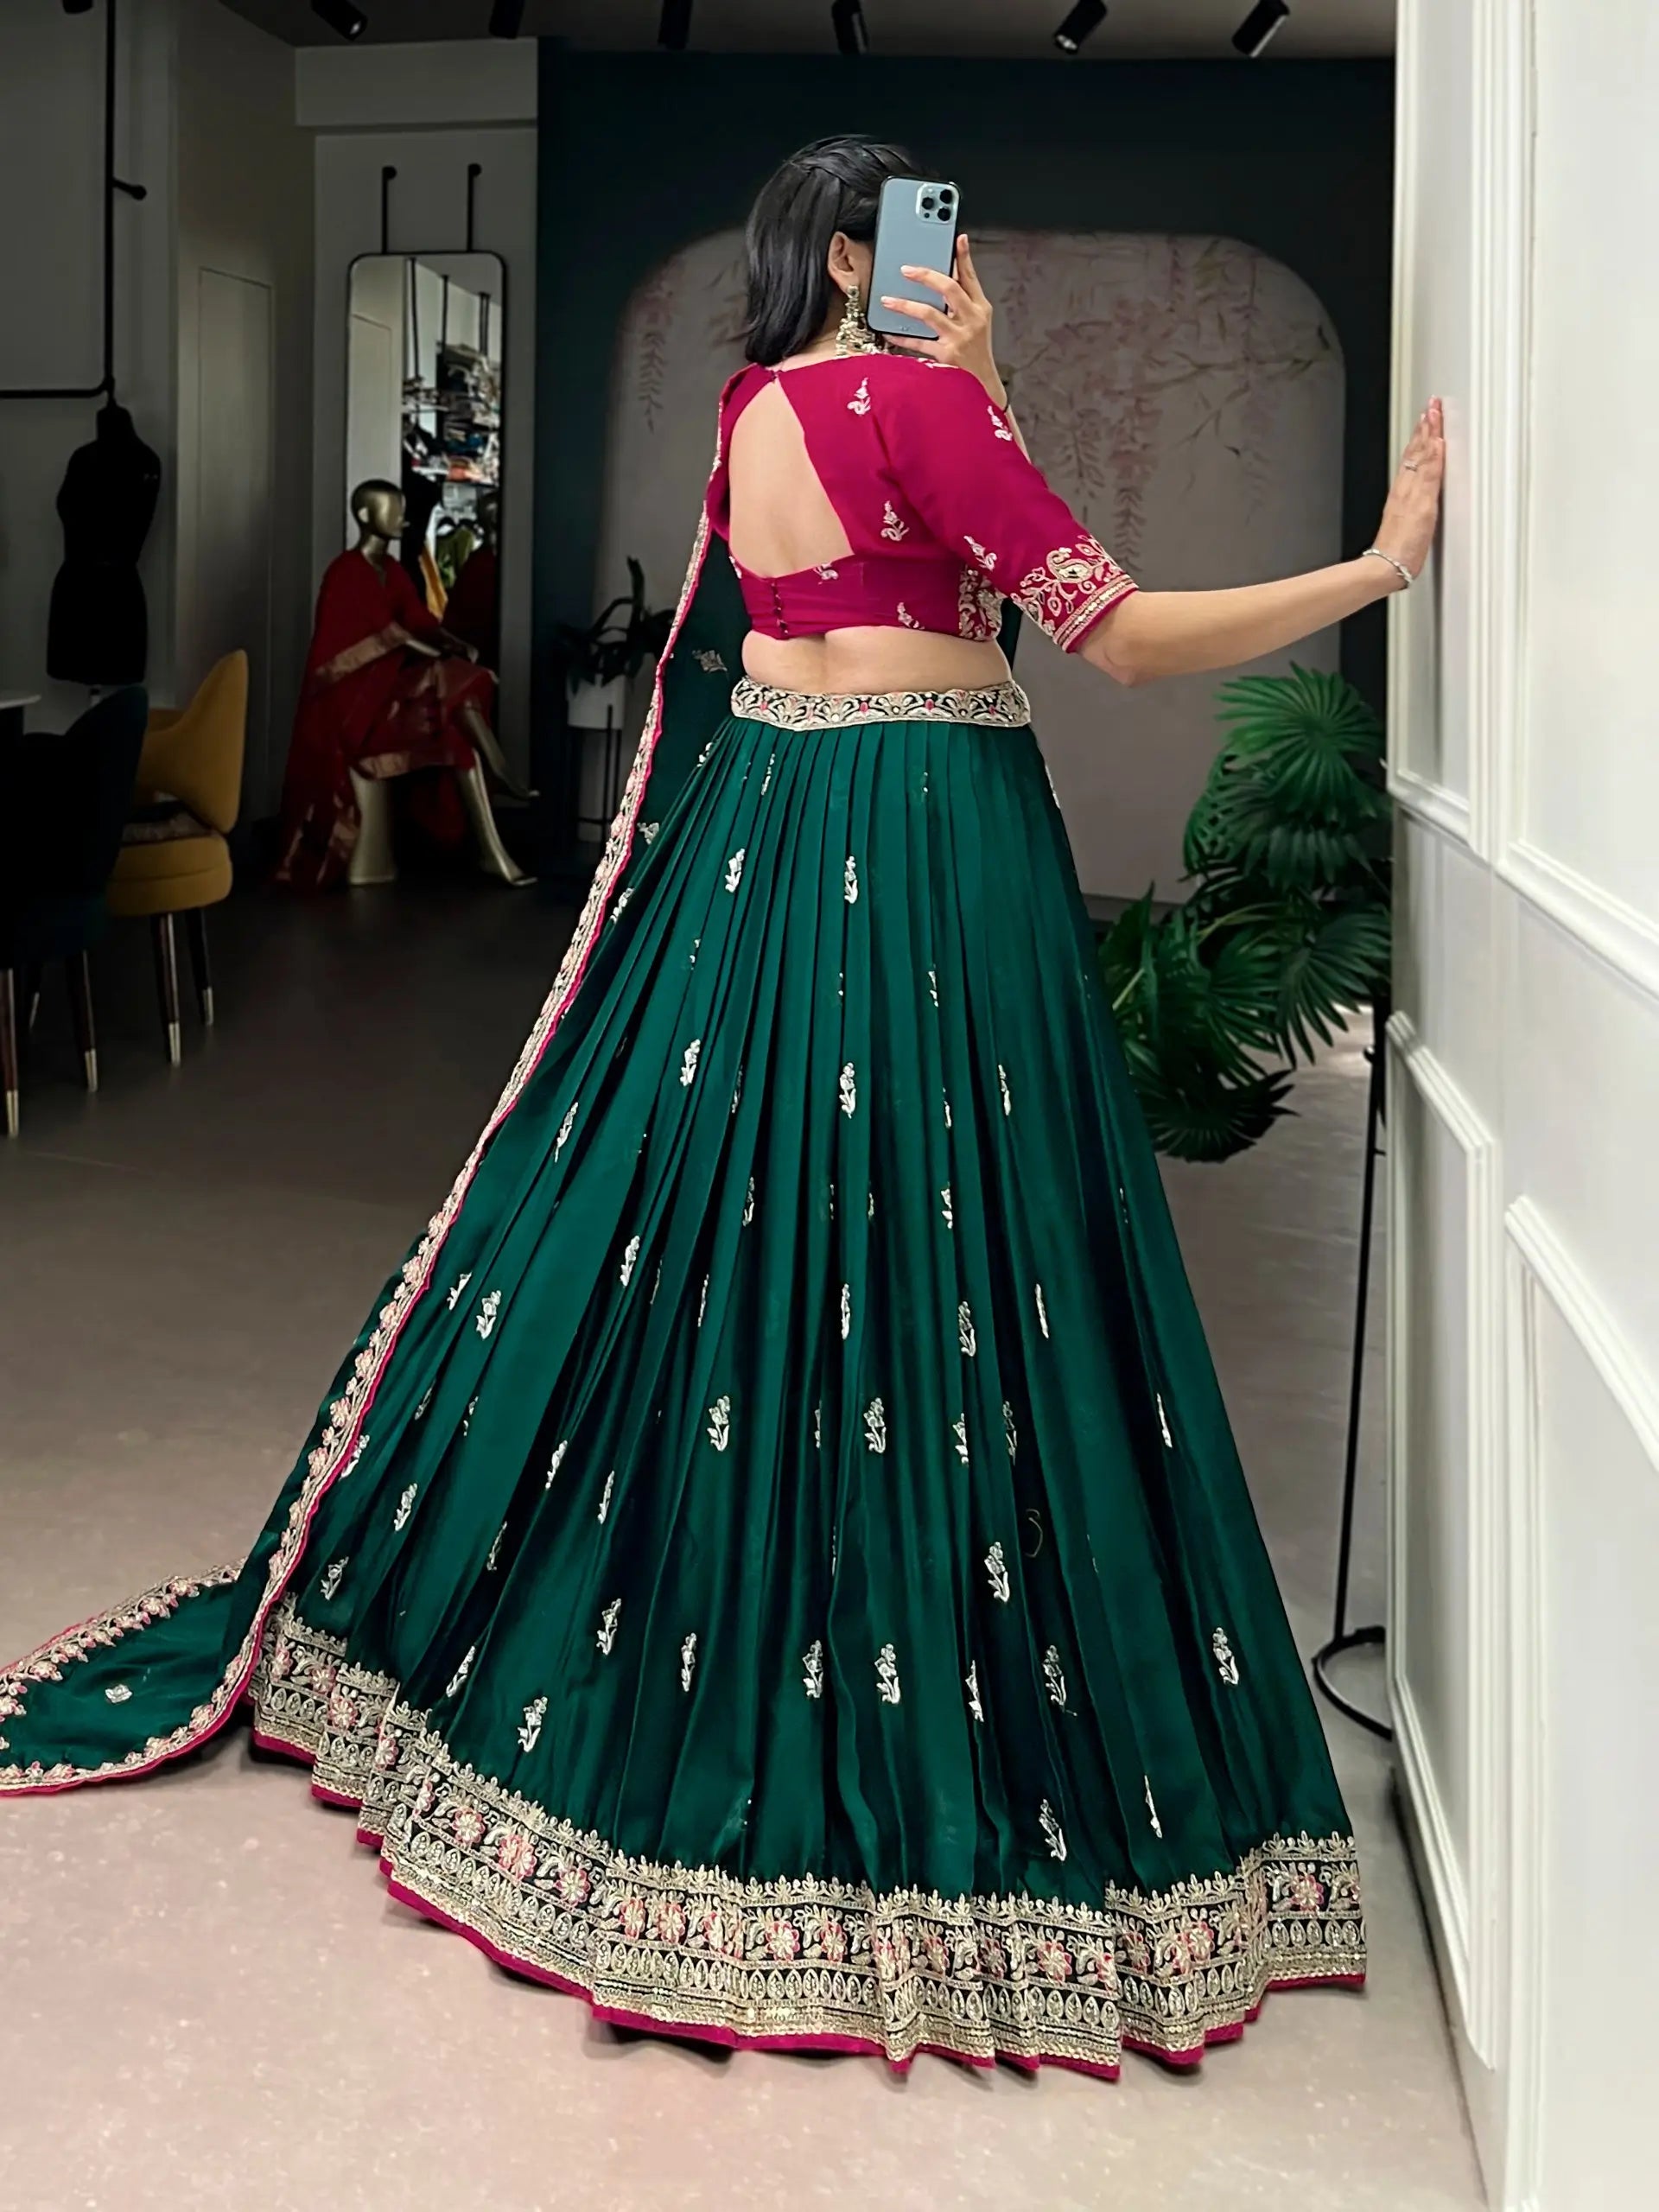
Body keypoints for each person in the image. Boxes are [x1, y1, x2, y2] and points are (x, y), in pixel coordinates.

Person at [0, 138, 1443, 2081]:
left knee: (729, 1213)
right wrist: (1378, 568)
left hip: (767, 831)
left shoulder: (755, 408)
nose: (947, 261)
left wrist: (988, 383)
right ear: (852, 254)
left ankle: (673, 1607)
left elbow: (880, 579)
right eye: (917, 231)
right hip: (923, 840)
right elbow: (1108, 628)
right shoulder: (925, 404)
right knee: (953, 1243)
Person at [276, 480, 527, 890]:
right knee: (447, 679)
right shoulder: (345, 571)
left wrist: (452, 642)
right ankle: (504, 775)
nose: (401, 517)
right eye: (392, 508)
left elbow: (417, 619)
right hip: (352, 704)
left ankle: (492, 850)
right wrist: (437, 654)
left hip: (388, 692)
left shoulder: (391, 570)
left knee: (456, 733)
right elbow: (378, 638)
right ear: (365, 515)